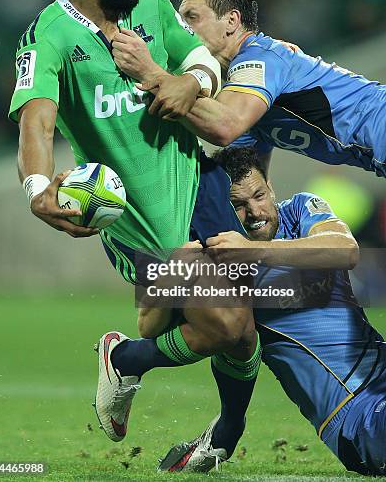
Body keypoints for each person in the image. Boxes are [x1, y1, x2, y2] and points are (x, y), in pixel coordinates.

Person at [8, 0, 260, 454]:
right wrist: (36, 187)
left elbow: (196, 56)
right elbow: (37, 120)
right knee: (224, 324)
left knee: (241, 332)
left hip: (196, 183)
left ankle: (223, 437)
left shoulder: (147, 0)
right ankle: (124, 360)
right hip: (138, 219)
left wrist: (191, 82)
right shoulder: (48, 36)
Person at [150, 146, 386, 476]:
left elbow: (346, 250)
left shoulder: (300, 209)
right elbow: (156, 327)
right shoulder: (216, 264)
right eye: (238, 206)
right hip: (355, 417)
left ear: (271, 187)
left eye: (259, 196)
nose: (255, 212)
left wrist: (256, 251)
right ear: (222, 210)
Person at [130, 0, 386, 178]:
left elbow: (225, 125)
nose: (182, 28)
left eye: (191, 17)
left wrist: (151, 73)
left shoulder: (260, 58)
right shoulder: (237, 92)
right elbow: (250, 177)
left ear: (231, 21)